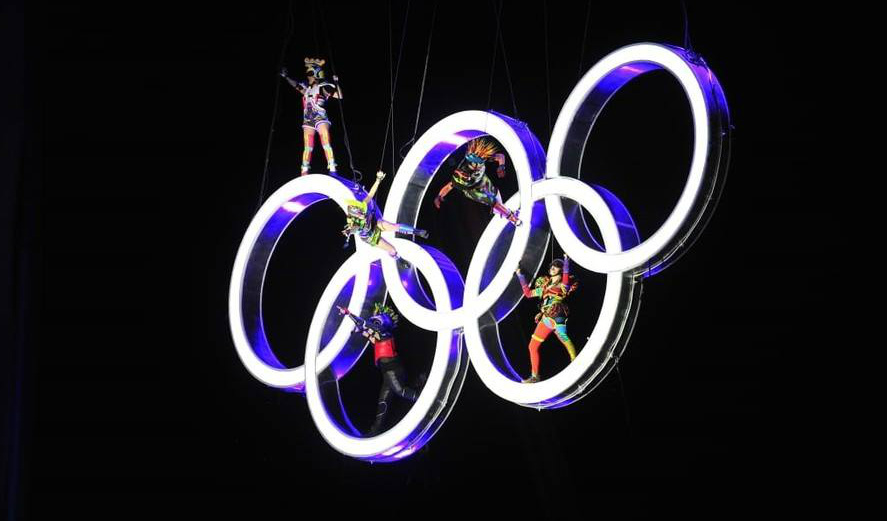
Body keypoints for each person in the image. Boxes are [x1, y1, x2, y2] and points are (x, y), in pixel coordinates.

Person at [337, 303, 425, 436]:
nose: (376, 322)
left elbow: (368, 326)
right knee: (383, 401)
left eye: (379, 320)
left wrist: (349, 314)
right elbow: (368, 332)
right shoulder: (379, 338)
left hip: (393, 369)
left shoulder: (385, 333)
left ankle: (424, 399)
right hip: (387, 372)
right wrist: (359, 330)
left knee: (400, 391)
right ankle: (374, 431)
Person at [514, 255, 579, 383]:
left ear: (561, 270)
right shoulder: (544, 288)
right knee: (532, 346)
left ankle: (575, 362)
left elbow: (566, 276)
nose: (553, 268)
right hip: (547, 318)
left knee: (563, 336)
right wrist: (519, 274)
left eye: (556, 266)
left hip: (558, 314)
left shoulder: (563, 285)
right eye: (552, 266)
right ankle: (535, 376)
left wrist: (566, 261)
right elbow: (528, 293)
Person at [343, 170, 428, 263]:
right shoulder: (354, 222)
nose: (363, 214)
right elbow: (352, 229)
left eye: (362, 212)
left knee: (392, 226)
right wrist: (348, 231)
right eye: (360, 215)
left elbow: (371, 194)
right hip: (370, 237)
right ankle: (399, 259)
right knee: (392, 249)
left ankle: (417, 231)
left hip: (375, 224)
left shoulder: (362, 206)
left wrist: (378, 180)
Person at [433, 138, 521, 226]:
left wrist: (501, 166)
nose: (478, 166)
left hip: (483, 181)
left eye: (480, 164)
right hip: (472, 191)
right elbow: (449, 186)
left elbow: (500, 156)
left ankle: (502, 211)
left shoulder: (482, 158)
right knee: (492, 201)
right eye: (476, 165)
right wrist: (439, 196)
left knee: (495, 195)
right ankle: (512, 218)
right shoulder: (460, 174)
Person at [280, 57, 342, 175]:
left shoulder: (323, 86)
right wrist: (286, 77)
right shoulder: (307, 89)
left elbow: (339, 95)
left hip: (320, 118)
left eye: (310, 73)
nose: (308, 76)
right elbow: (296, 86)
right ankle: (304, 170)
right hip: (308, 120)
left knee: (326, 142)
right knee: (308, 146)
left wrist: (336, 83)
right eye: (308, 73)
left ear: (316, 74)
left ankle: (332, 168)